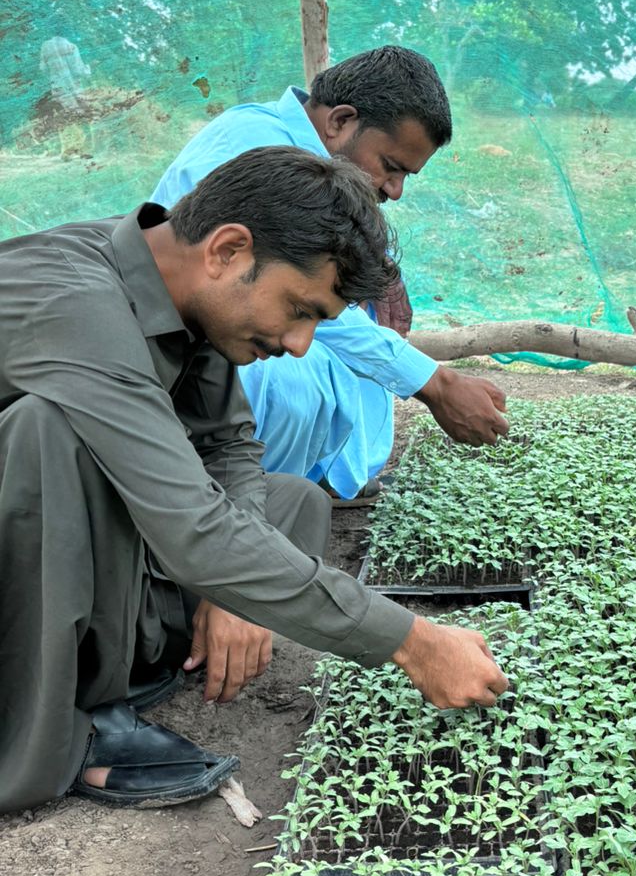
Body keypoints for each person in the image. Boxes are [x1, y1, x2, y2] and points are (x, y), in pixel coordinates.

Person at [0, 145, 509, 815]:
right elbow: (196, 530)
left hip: (79, 544)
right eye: (300, 310)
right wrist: (409, 641)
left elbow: (230, 444)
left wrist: (233, 591)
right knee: (47, 433)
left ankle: (129, 660)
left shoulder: (178, 289)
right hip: (24, 538)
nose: (300, 344)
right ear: (228, 251)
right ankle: (60, 735)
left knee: (290, 501)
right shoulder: (77, 306)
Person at [152, 46, 508, 504]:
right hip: (192, 351)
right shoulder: (259, 145)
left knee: (358, 359)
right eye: (391, 167)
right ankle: (240, 505)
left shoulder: (292, 147)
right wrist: (434, 383)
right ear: (340, 121)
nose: (395, 192)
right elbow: (276, 293)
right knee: (291, 378)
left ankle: (302, 485)